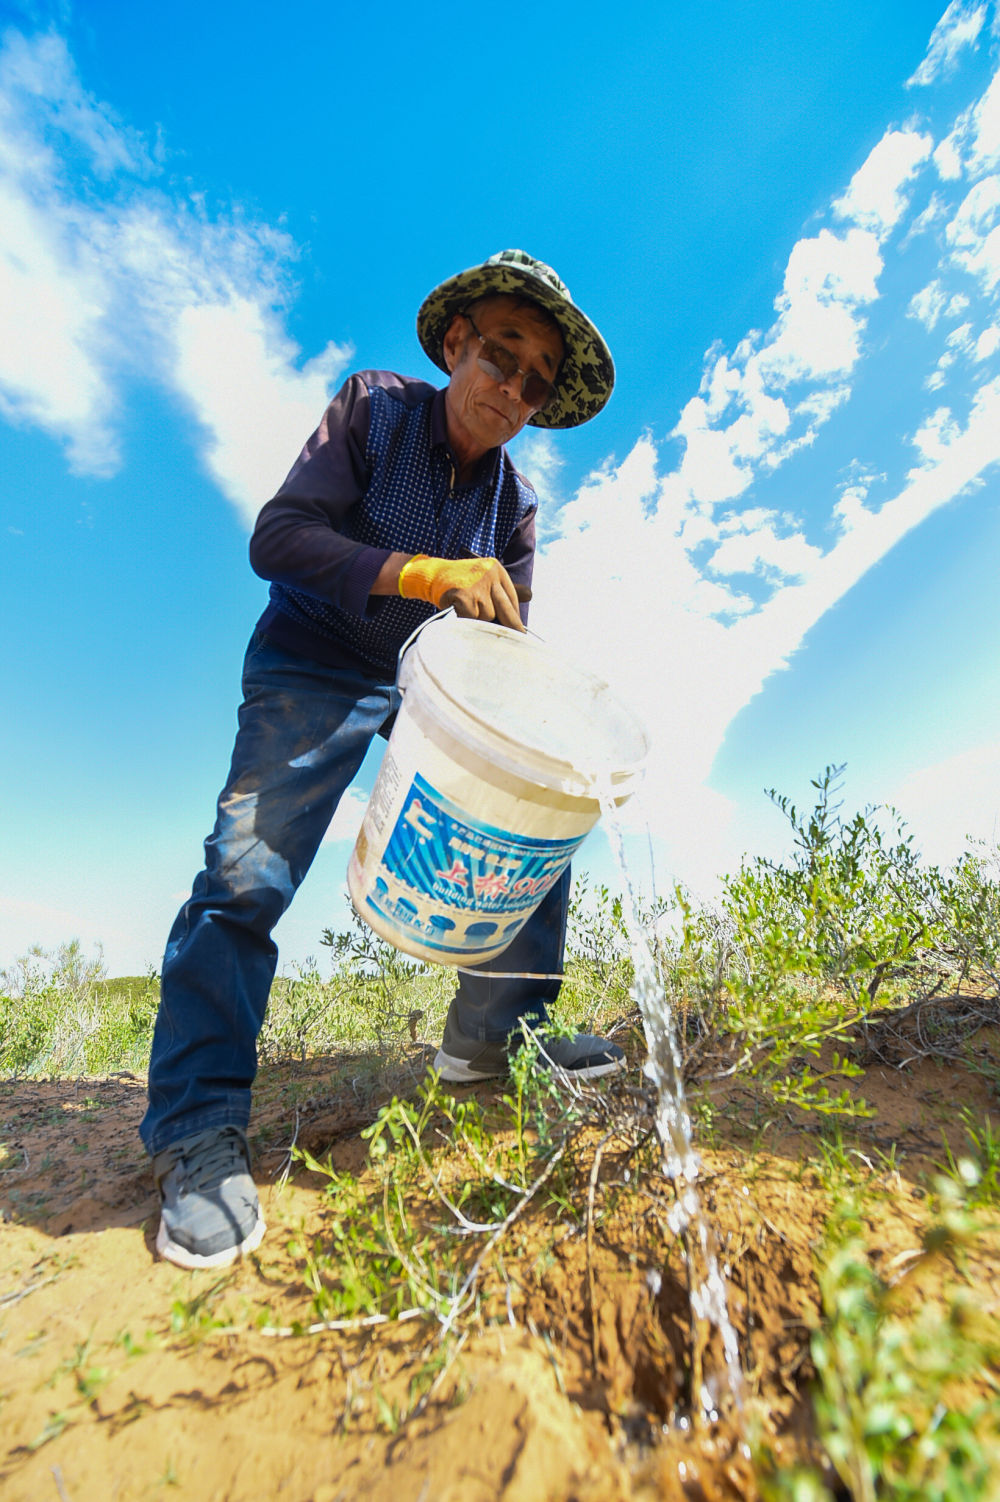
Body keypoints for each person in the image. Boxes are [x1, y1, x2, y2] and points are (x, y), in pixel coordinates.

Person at [141, 249, 619, 1270]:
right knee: (245, 871)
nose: (513, 387)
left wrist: (518, 741)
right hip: (311, 658)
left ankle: (492, 1042)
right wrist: (421, 571)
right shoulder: (373, 408)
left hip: (427, 686)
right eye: (502, 355)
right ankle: (194, 1124)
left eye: (536, 379)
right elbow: (279, 537)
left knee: (533, 809)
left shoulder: (515, 508)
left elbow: (500, 653)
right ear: (456, 344)